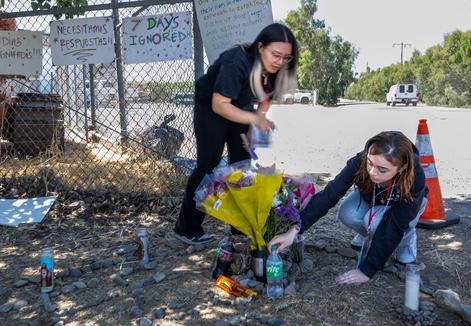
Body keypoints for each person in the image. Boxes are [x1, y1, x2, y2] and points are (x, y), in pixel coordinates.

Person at [174, 23, 298, 245]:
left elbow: (265, 99)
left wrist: (252, 128)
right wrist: (254, 119)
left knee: (242, 165)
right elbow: (220, 105)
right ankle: (187, 228)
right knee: (208, 165)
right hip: (212, 106)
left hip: (240, 107)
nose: (280, 62)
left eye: (286, 57)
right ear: (260, 47)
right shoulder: (236, 61)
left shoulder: (278, 70)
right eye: (276, 55)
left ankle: (239, 226)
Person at [267, 131, 428, 284]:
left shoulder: (415, 176)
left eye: (382, 170)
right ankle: (371, 235)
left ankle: (406, 239)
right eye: (370, 164)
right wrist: (295, 229)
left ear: (402, 168)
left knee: (381, 223)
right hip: (374, 198)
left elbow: (395, 223)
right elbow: (330, 194)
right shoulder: (360, 161)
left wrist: (366, 270)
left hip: (402, 204)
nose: (372, 172)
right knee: (348, 213)